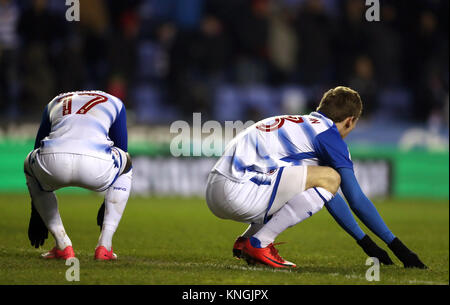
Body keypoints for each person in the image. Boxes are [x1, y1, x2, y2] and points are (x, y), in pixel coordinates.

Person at [206, 86, 427, 269]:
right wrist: (399, 249)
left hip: (216, 188)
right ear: (350, 121)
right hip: (237, 192)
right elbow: (355, 199)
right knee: (332, 177)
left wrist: (366, 243)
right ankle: (259, 242)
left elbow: (327, 195)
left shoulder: (300, 125)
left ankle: (246, 241)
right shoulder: (328, 136)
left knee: (324, 181)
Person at [24, 90, 132, 260]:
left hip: (53, 163)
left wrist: (36, 211)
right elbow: (121, 147)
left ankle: (62, 244)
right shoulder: (115, 103)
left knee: (28, 163)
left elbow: (38, 145)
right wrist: (108, 202)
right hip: (96, 166)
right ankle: (105, 245)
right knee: (127, 161)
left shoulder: (55, 101)